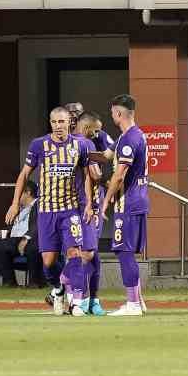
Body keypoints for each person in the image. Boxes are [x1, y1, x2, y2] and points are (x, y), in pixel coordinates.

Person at [6, 107, 91, 315]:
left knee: (74, 253)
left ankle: (77, 301)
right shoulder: (39, 145)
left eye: (61, 122)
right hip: (46, 211)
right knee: (48, 263)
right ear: (50, 123)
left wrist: (88, 203)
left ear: (69, 122)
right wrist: (15, 203)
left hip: (70, 210)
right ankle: (58, 288)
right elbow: (24, 174)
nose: (58, 126)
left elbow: (88, 175)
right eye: (54, 122)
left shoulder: (80, 145)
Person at [99, 94, 149, 316]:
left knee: (124, 251)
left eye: (112, 113)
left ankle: (133, 304)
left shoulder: (129, 139)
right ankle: (138, 301)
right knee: (126, 251)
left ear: (118, 113)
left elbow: (119, 176)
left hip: (127, 202)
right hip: (136, 200)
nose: (112, 116)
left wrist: (105, 201)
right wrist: (92, 139)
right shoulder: (129, 136)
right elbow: (105, 155)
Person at [73, 110, 111, 314]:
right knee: (80, 253)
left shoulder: (96, 140)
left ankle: (87, 299)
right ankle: (72, 294)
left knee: (89, 252)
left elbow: (102, 168)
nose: (98, 134)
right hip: (79, 205)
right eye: (95, 131)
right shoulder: (77, 143)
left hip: (87, 204)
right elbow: (96, 174)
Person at [0, 188, 35, 286]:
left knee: (33, 248)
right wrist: (8, 232)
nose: (16, 196)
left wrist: (26, 237)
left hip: (31, 238)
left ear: (28, 192)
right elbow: (17, 225)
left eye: (19, 193)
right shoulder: (20, 208)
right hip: (15, 239)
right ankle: (9, 282)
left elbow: (37, 225)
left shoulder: (38, 205)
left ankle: (35, 283)